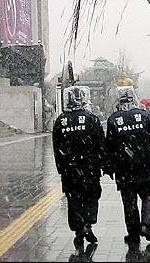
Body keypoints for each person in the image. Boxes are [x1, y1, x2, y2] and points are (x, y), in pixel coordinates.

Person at [105, 85, 150, 244]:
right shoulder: (143, 116)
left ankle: (133, 234)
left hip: (124, 168)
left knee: (129, 202)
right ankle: (146, 224)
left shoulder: (113, 119)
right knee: (147, 195)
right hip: (145, 165)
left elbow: (109, 147)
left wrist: (109, 167)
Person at [52, 86, 108, 249]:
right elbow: (100, 145)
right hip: (90, 168)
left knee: (73, 198)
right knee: (91, 195)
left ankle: (78, 229)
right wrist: (106, 165)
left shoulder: (60, 121)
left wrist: (61, 168)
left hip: (69, 170)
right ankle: (88, 224)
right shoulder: (91, 119)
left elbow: (57, 148)